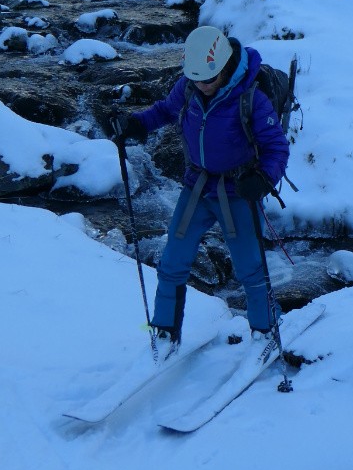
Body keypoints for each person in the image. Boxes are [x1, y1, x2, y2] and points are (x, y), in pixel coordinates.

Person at [114, 25, 290, 353]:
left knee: (250, 268)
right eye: (195, 79)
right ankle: (165, 332)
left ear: (223, 67)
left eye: (208, 79)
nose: (201, 86)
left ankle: (265, 331)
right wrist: (135, 124)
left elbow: (276, 147)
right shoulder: (189, 88)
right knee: (172, 262)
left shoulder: (251, 98)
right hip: (197, 187)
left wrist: (264, 179)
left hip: (238, 191)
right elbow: (165, 111)